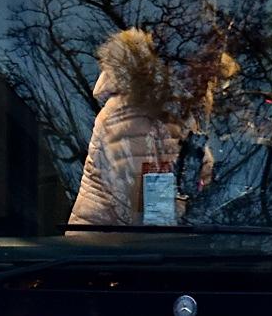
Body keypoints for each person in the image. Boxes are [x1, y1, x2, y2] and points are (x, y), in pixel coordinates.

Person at [70, 28, 188, 227]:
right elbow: (141, 209)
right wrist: (182, 208)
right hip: (105, 249)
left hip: (116, 243)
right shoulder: (128, 118)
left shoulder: (142, 113)